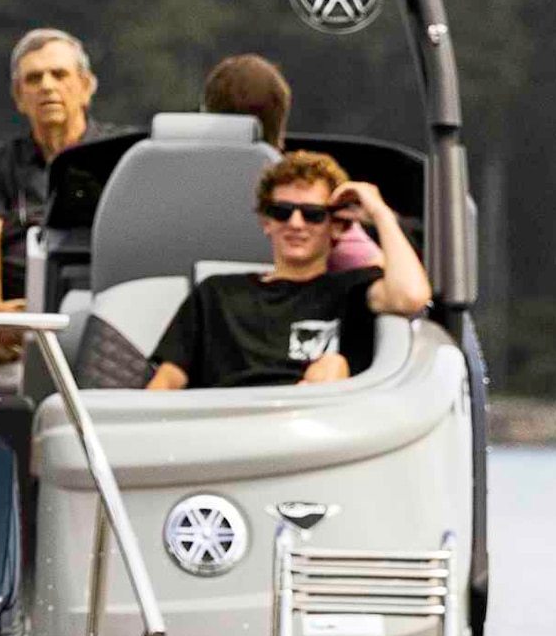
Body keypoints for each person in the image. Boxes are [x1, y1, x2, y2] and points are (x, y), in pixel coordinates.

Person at [147, 151, 431, 391]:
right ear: (266, 221)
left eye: (313, 214)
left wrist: (378, 211)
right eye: (282, 211)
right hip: (223, 433)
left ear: (338, 225)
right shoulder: (216, 292)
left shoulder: (352, 290)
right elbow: (166, 383)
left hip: (309, 441)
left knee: (332, 366)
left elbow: (411, 295)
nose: (296, 224)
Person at [197, 53, 380, 268]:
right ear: (280, 129)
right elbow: (389, 281)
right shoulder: (309, 200)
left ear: (205, 115)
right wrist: (380, 214)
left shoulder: (155, 182)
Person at [0, 27, 95, 315]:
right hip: (20, 313)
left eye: (59, 75)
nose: (47, 86)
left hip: (98, 306)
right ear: (18, 96)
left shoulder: (119, 153)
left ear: (86, 87)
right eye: (34, 78)